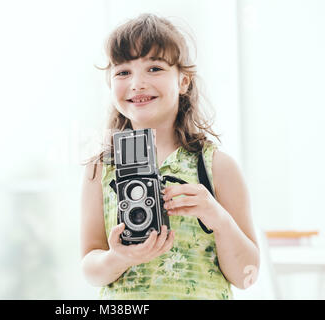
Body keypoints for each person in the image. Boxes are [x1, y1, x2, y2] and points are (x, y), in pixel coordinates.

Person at [80, 13, 260, 300]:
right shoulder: (101, 168)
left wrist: (218, 218)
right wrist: (120, 257)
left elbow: (246, 275)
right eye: (123, 72)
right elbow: (90, 267)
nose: (137, 83)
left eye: (154, 68)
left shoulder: (216, 166)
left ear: (183, 81)